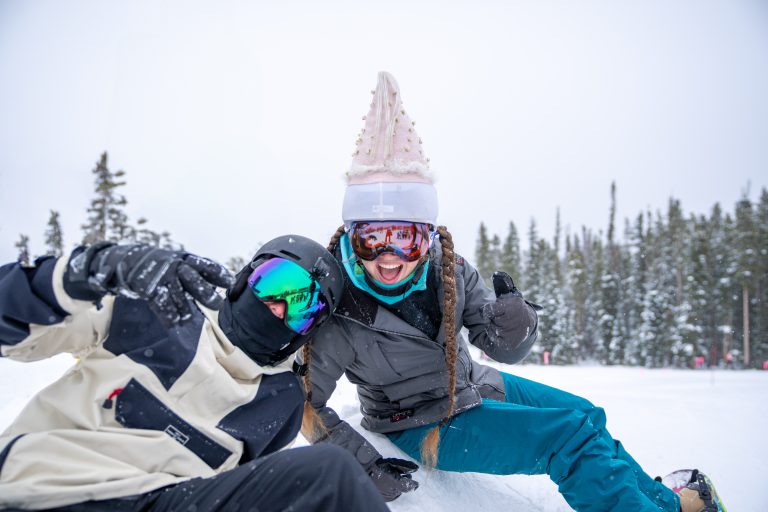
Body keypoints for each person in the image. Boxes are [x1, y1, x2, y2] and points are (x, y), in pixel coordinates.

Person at [299, 72, 725, 512]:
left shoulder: (449, 270)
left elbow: (502, 348)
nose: (388, 257)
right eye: (371, 239)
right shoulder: (341, 307)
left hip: (472, 385)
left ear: (426, 237)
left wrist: (516, 326)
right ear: (351, 236)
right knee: (569, 438)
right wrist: (363, 464)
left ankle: (668, 505)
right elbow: (306, 403)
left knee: (587, 415)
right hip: (418, 422)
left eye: (403, 238)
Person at [0, 236, 389, 512]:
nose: (279, 310)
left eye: (303, 308)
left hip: (165, 501)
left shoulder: (279, 400)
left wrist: (370, 467)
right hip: (43, 487)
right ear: (246, 276)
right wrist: (94, 269)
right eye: (276, 285)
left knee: (329, 479)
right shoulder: (155, 309)